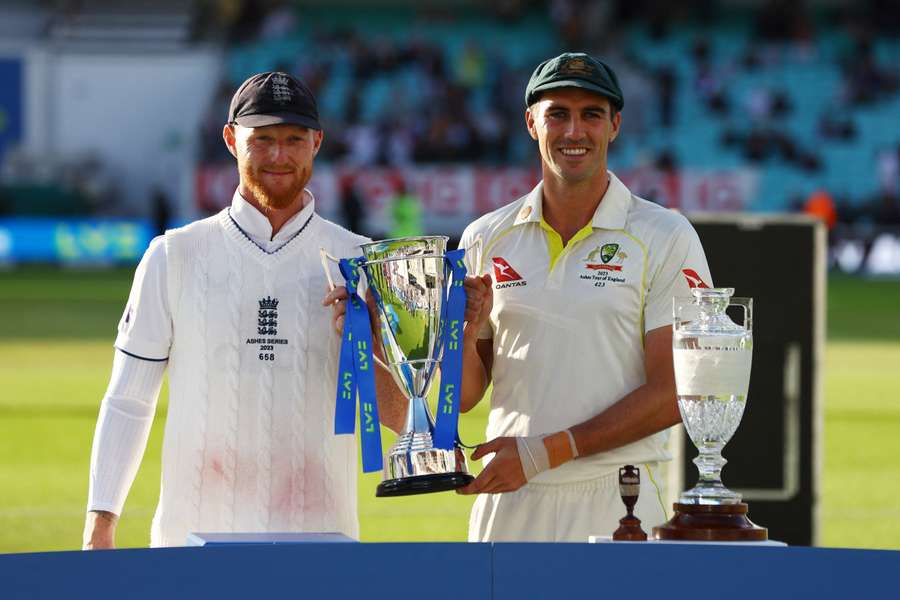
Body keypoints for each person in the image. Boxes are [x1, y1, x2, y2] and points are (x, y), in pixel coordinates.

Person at [83, 71, 405, 549]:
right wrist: (100, 524)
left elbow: (404, 418)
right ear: (232, 139)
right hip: (190, 545)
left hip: (321, 545)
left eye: (294, 139)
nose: (279, 155)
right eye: (263, 139)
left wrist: (371, 346)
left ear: (317, 142)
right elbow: (129, 400)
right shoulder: (173, 255)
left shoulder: (362, 260)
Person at [456, 53, 713, 541]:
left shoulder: (663, 234)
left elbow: (674, 393)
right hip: (509, 497)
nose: (574, 131)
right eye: (557, 114)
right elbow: (467, 396)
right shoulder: (486, 236)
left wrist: (547, 451)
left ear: (614, 125)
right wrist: (466, 339)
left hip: (619, 499)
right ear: (531, 122)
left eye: (591, 114)